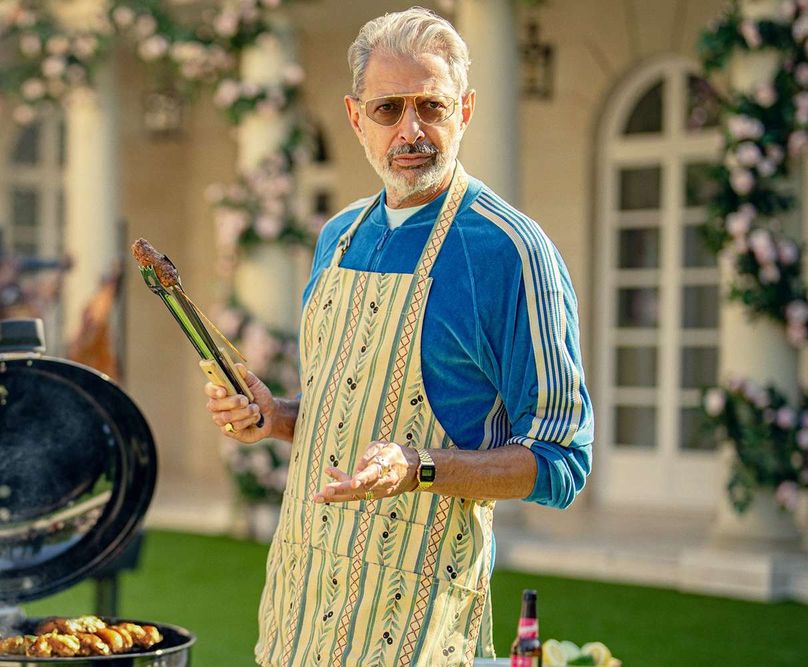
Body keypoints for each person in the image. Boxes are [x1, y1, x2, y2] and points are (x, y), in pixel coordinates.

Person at [203, 8, 592, 666]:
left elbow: (563, 461)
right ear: (356, 117)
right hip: (300, 613)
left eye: (431, 106)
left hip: (417, 624)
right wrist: (276, 417)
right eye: (388, 109)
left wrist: (420, 467)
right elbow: (350, 415)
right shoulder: (340, 236)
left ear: (465, 109)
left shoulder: (513, 252)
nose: (411, 130)